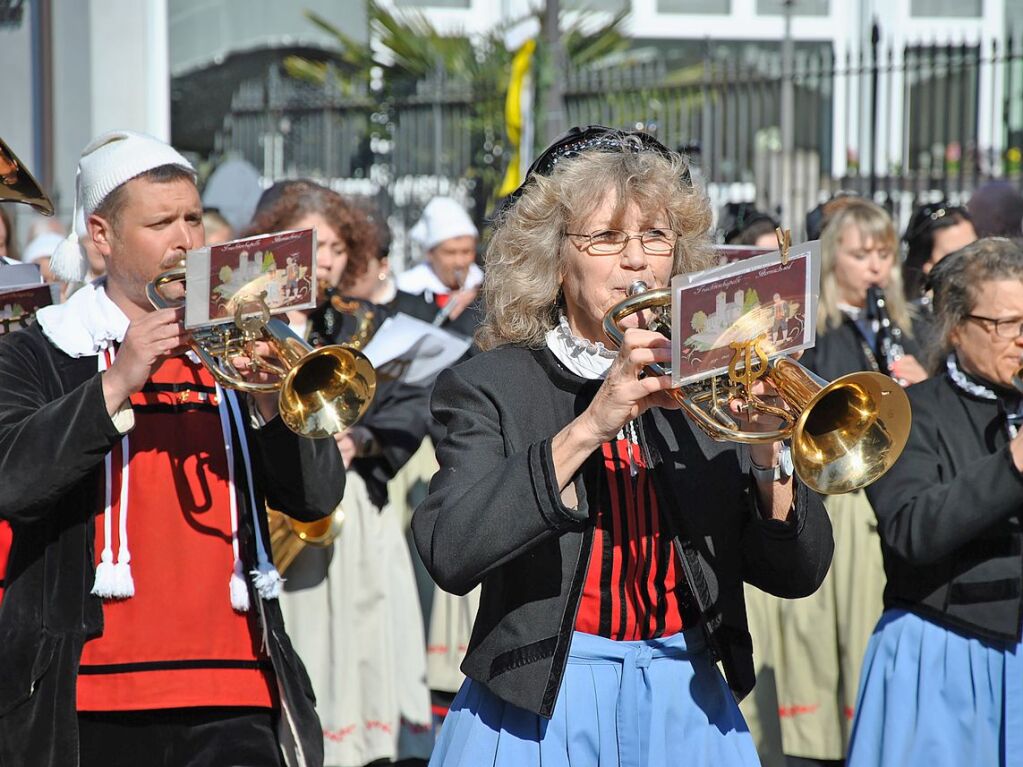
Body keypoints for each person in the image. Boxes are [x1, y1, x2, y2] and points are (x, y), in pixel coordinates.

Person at [412, 125, 833, 767]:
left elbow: (797, 575)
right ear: (554, 260)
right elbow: (451, 549)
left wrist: (765, 453)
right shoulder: (488, 384)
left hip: (687, 697)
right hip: (541, 701)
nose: (636, 261)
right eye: (607, 238)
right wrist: (592, 425)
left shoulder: (706, 380)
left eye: (655, 237)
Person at [0, 130, 345, 767]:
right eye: (161, 223)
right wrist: (120, 379)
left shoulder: (238, 339)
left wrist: (271, 396)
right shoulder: (41, 348)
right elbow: (14, 482)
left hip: (238, 685)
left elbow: (315, 497)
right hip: (89, 694)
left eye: (192, 218)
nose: (186, 240)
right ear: (101, 236)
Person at [246, 182, 435, 767]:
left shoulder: (359, 322)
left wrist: (364, 438)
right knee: (306, 637)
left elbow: (410, 401)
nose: (322, 259)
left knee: (358, 637)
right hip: (280, 518)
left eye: (331, 247)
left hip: (353, 507)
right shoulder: (248, 324)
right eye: (309, 245)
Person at [740, 198, 927, 767]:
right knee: (817, 633)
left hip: (879, 491)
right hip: (829, 491)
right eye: (859, 253)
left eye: (883, 253)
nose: (875, 266)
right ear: (831, 260)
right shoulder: (814, 326)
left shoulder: (904, 326)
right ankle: (812, 742)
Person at [848, 237, 1023, 766]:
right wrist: (1012, 464)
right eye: (1007, 325)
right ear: (955, 327)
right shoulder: (907, 412)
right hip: (943, 658)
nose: (1022, 339)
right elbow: (910, 531)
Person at [392, 196, 482, 337]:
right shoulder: (409, 291)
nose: (460, 262)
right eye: (450, 253)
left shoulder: (483, 287)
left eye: (467, 251)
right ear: (430, 254)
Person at [902, 201, 977, 304]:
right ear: (926, 264)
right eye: (956, 257)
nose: (971, 262)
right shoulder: (906, 316)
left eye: (975, 250)